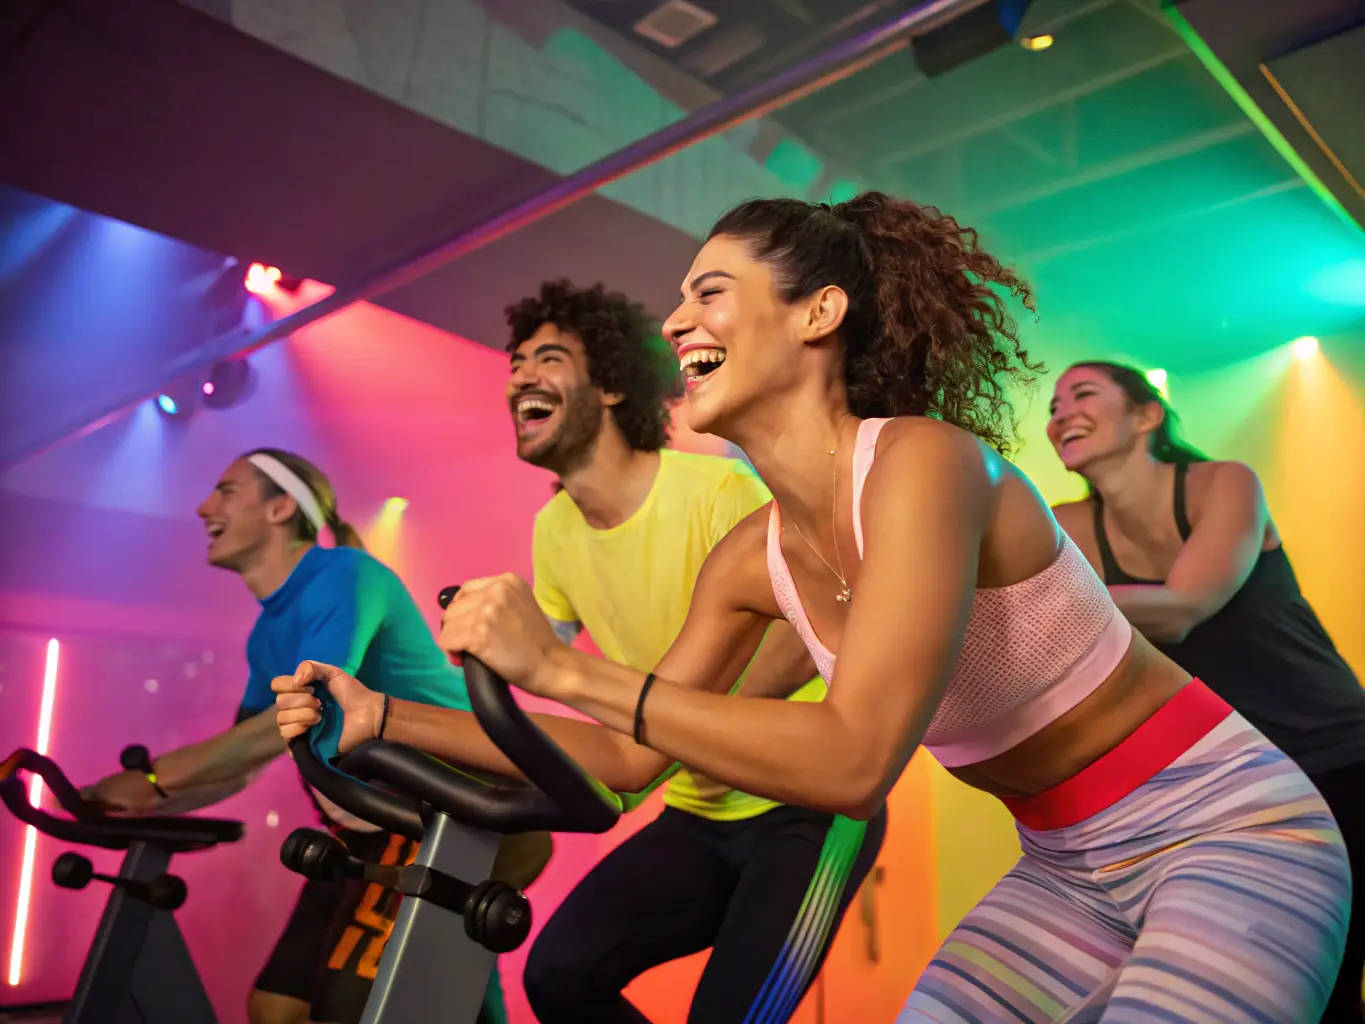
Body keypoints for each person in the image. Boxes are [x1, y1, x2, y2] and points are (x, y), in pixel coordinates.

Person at [281, 192, 1352, 1022]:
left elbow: (852, 761)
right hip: (1065, 870)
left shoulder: (928, 466)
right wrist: (381, 716)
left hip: (1230, 832)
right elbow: (619, 763)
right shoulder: (753, 557)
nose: (674, 317)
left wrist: (559, 664)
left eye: (708, 290)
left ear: (818, 313)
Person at [279, 279, 887, 1023]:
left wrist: (670, 730)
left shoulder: (718, 491)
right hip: (697, 813)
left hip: (805, 807)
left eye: (548, 358)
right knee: (561, 978)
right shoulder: (555, 532)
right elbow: (553, 684)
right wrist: (386, 710)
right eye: (516, 363)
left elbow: (805, 640)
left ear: (605, 386)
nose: (520, 378)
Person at [81, 449, 528, 1024]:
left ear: (280, 507)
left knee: (364, 1008)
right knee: (277, 1009)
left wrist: (151, 778)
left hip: (455, 809)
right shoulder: (266, 632)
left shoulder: (343, 575)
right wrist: (136, 805)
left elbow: (303, 708)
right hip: (372, 826)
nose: (203, 507)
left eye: (227, 490)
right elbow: (240, 760)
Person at [1046, 359, 1365, 1022]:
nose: (1060, 414)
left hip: (1340, 755)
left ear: (1145, 415)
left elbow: (1186, 603)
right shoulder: (1070, 527)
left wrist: (1057, 595)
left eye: (1081, 394)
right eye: (1052, 405)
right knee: (1297, 995)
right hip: (1237, 786)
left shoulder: (1223, 484)